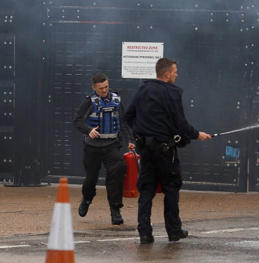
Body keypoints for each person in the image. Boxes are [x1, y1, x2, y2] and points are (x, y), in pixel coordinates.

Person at [124, 58, 212, 244]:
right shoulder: (172, 93)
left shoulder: (143, 90)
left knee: (146, 190)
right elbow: (180, 123)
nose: (176, 74)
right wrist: (197, 135)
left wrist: (139, 134)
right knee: (171, 189)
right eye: (175, 71)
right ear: (166, 74)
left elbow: (128, 116)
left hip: (146, 151)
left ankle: (145, 233)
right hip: (166, 152)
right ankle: (174, 231)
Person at [74, 73, 134, 225]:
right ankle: (87, 199)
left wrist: (130, 140)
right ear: (94, 88)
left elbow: (124, 122)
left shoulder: (116, 100)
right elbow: (77, 121)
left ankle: (115, 210)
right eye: (101, 88)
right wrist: (89, 130)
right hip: (92, 147)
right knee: (91, 179)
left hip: (111, 145)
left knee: (117, 172)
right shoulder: (89, 102)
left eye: (106, 87)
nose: (104, 90)